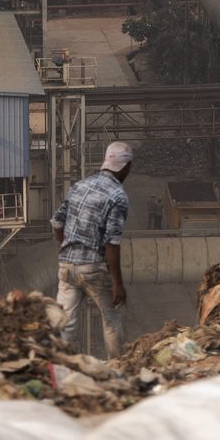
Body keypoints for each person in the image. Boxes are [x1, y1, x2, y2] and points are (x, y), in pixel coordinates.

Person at [53, 141, 132, 358]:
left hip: (66, 267)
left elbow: (57, 221)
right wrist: (118, 283)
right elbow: (112, 244)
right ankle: (118, 369)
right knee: (111, 319)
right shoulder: (118, 196)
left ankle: (55, 368)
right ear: (126, 167)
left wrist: (65, 249)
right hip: (93, 268)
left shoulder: (79, 185)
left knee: (64, 323)